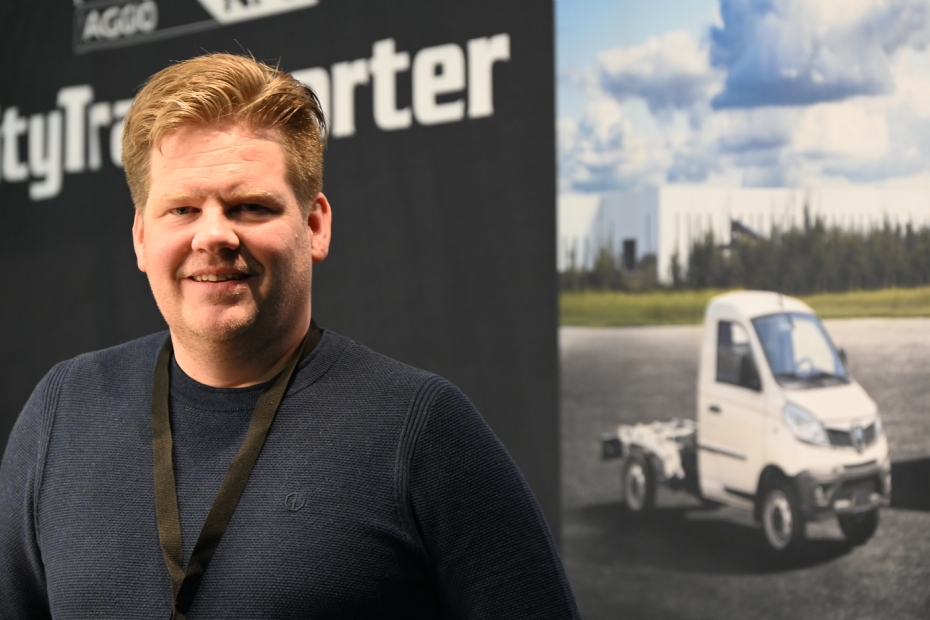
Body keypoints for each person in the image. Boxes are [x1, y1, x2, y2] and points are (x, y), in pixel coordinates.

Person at [0, 53, 580, 618]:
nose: (213, 235)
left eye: (250, 206)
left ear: (315, 225)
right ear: (141, 238)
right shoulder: (63, 410)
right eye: (182, 210)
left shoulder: (421, 429)